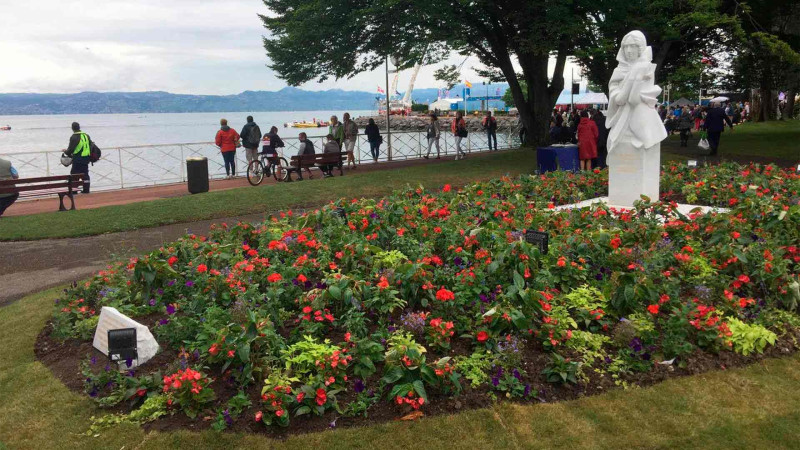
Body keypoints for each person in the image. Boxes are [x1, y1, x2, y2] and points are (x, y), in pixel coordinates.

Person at [63, 122, 93, 193]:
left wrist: (65, 152)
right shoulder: (86, 136)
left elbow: (71, 149)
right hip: (86, 158)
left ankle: (74, 191)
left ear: (72, 128)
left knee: (74, 175)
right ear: (79, 127)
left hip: (77, 159)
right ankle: (86, 190)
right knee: (85, 175)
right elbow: (91, 145)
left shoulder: (74, 137)